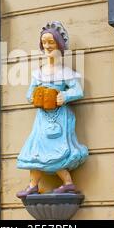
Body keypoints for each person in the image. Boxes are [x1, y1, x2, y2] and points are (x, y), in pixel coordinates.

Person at [16, 21, 88, 198]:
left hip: (59, 118)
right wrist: (36, 96)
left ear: (59, 45)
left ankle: (66, 183)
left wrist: (65, 96)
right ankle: (34, 185)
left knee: (56, 149)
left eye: (51, 42)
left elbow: (78, 90)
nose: (47, 46)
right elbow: (29, 94)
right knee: (36, 149)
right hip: (42, 117)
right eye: (44, 42)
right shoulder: (39, 73)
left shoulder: (65, 71)